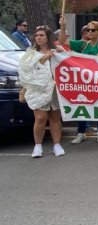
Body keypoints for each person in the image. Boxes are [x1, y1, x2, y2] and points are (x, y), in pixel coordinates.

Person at [58, 17, 98, 144]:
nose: (90, 32)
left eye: (93, 30)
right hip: (84, 82)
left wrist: (75, 57)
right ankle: (81, 132)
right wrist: (63, 27)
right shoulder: (83, 44)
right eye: (88, 30)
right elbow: (62, 41)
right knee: (82, 106)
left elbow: (97, 60)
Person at [18, 25, 65, 158]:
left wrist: (63, 27)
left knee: (55, 118)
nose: (38, 37)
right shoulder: (30, 53)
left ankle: (57, 144)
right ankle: (38, 146)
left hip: (54, 89)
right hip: (38, 89)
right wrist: (44, 58)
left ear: (48, 37)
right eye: (37, 35)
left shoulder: (57, 51)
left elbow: (68, 55)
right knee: (40, 118)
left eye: (41, 35)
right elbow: (26, 72)